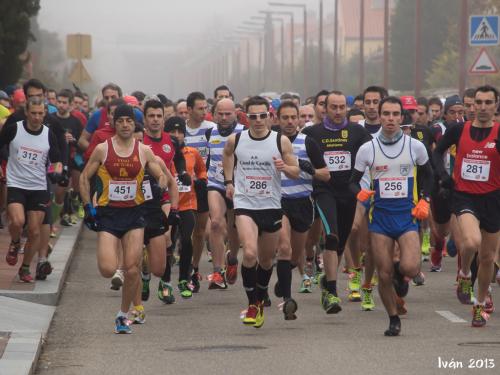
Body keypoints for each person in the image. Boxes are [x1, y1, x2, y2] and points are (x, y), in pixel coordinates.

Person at [79, 104, 167, 334]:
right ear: (114, 124)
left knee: (131, 268)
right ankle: (125, 305)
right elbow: (84, 178)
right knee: (108, 270)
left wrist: (160, 185)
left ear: (135, 123)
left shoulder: (144, 150)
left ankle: (123, 314)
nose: (126, 124)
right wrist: (88, 206)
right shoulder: (102, 149)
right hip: (109, 214)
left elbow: (160, 174)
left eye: (129, 120)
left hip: (135, 214)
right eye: (121, 121)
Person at [351, 96, 433, 336]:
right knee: (383, 273)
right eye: (386, 114)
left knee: (410, 267)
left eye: (395, 114)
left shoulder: (414, 146)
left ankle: (402, 274)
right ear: (379, 115)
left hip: (407, 217)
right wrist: (361, 193)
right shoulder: (368, 149)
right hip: (380, 220)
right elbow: (351, 183)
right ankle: (393, 318)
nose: (390, 119)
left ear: (401, 117)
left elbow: (429, 175)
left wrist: (424, 200)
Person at [223, 96, 299, 328]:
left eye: (262, 116)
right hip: (245, 204)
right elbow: (227, 156)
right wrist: (228, 181)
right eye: (252, 116)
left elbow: (296, 171)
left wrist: (285, 167)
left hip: (271, 205)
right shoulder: (236, 139)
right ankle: (253, 304)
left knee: (266, 261)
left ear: (270, 116)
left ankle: (262, 291)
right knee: (249, 254)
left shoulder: (280, 141)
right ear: (245, 117)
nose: (257, 121)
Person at [433, 85, 500, 327]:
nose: (482, 107)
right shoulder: (459, 129)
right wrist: (443, 176)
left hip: (493, 198)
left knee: (487, 258)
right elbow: (438, 152)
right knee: (471, 242)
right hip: (465, 196)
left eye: (488, 103)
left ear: (495, 105)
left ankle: (479, 304)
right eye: (478, 103)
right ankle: (464, 274)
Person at [301, 91, 371, 314]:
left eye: (342, 107)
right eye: (334, 107)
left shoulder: (357, 132)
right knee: (330, 234)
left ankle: (327, 276)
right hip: (324, 191)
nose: (338, 111)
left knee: (340, 241)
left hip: (349, 192)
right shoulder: (311, 133)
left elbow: (373, 156)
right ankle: (331, 291)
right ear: (325, 109)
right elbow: (297, 156)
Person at [274, 101, 329, 318]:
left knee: (295, 257)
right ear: (277, 119)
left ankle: (283, 278)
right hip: (278, 202)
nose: (289, 122)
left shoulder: (309, 143)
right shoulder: (270, 141)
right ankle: (288, 301)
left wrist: (310, 169)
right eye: (284, 117)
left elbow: (326, 175)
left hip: (303, 202)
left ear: (299, 119)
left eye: (292, 117)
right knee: (284, 248)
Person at [1, 97, 62, 282]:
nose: (37, 117)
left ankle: (25, 268)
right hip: (16, 183)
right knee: (18, 222)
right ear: (27, 112)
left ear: (45, 114)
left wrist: (57, 171)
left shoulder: (48, 134)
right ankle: (15, 241)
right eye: (33, 113)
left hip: (38, 186)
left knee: (35, 231)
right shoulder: (14, 129)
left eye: (40, 114)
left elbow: (56, 159)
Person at [160, 117, 207, 302]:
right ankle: (165, 282)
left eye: (180, 132)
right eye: (173, 131)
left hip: (187, 204)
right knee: (167, 242)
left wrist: (200, 180)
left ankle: (183, 279)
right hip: (167, 204)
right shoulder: (163, 153)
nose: (177, 135)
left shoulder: (192, 152)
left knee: (187, 241)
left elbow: (202, 170)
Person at [206, 98, 245, 289]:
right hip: (215, 183)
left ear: (235, 113)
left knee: (234, 228)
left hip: (239, 187)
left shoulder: (245, 133)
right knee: (215, 223)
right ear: (213, 114)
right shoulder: (209, 133)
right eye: (219, 114)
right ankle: (217, 271)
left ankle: (233, 258)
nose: (223, 117)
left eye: (227, 114)